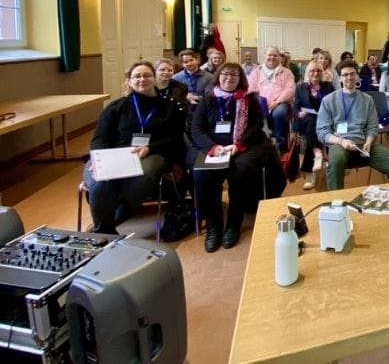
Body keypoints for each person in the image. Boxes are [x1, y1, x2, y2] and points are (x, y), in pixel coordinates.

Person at [192, 62, 285, 252]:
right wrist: (213, 147)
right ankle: (213, 226)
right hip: (214, 148)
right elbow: (197, 129)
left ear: (240, 79)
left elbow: (256, 126)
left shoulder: (249, 99)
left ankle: (234, 223)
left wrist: (238, 145)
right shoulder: (208, 99)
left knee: (241, 171)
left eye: (234, 76)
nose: (229, 78)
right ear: (218, 76)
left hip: (244, 146)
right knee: (202, 175)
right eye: (225, 74)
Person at [84, 62, 185, 234]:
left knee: (141, 175)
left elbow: (175, 138)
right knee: (100, 181)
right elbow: (100, 138)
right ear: (129, 82)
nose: (142, 79)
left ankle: (125, 206)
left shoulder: (171, 106)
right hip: (116, 154)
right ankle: (104, 231)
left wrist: (150, 148)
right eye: (137, 76)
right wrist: (100, 158)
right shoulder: (115, 107)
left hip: (153, 153)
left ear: (155, 79)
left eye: (147, 75)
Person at [316, 60, 389, 190]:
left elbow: (372, 127)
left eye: (352, 74)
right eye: (345, 74)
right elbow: (322, 132)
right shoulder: (329, 100)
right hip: (340, 144)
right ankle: (336, 205)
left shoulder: (367, 99)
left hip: (365, 145)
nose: (349, 77)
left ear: (357, 76)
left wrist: (369, 142)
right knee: (335, 162)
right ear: (340, 78)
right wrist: (341, 141)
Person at [294, 61, 335, 189]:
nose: (315, 73)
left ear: (322, 72)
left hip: (326, 120)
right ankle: (319, 152)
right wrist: (298, 113)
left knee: (316, 122)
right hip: (305, 120)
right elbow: (295, 108)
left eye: (318, 71)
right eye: (312, 71)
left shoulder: (328, 86)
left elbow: (335, 104)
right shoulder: (300, 87)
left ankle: (310, 173)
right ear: (307, 73)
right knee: (312, 120)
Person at [248, 46, 296, 151]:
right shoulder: (256, 72)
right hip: (261, 103)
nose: (272, 57)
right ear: (265, 56)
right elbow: (251, 88)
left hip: (280, 103)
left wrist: (277, 101)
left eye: (275, 55)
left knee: (278, 113)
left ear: (279, 57)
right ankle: (262, 141)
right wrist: (260, 101)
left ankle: (281, 143)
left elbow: (290, 89)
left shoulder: (286, 72)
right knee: (256, 113)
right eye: (269, 55)